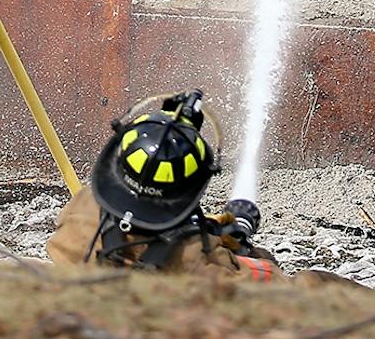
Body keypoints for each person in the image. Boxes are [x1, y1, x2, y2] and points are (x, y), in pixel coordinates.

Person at [47, 91, 279, 277]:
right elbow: (275, 284)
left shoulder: (81, 208)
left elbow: (131, 233)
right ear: (192, 188)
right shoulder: (197, 260)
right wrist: (244, 247)